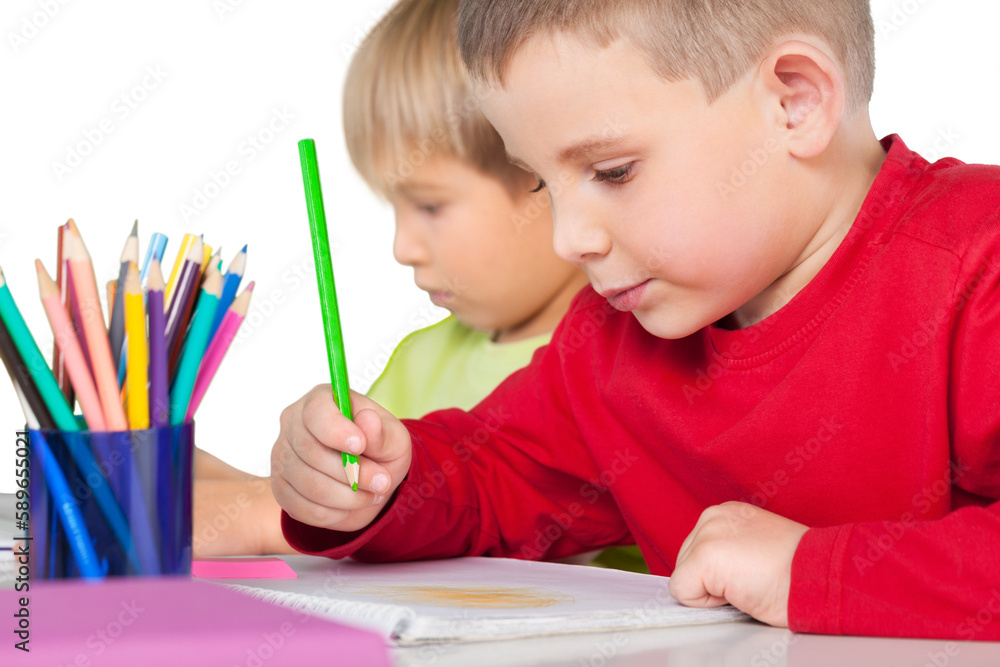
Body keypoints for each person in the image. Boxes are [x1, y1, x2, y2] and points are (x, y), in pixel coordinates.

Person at [271, 0, 1000, 640]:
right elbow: (494, 477)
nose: (567, 238)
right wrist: (376, 482)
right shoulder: (611, 344)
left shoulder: (978, 261)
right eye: (539, 181)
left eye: (613, 171)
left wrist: (809, 572)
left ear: (795, 102)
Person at [191, 0, 590, 559]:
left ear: (544, 174)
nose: (402, 248)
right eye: (393, 207)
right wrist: (208, 479)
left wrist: (261, 517)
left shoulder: (611, 368)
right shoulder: (418, 362)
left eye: (430, 205)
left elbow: (533, 535)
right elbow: (361, 507)